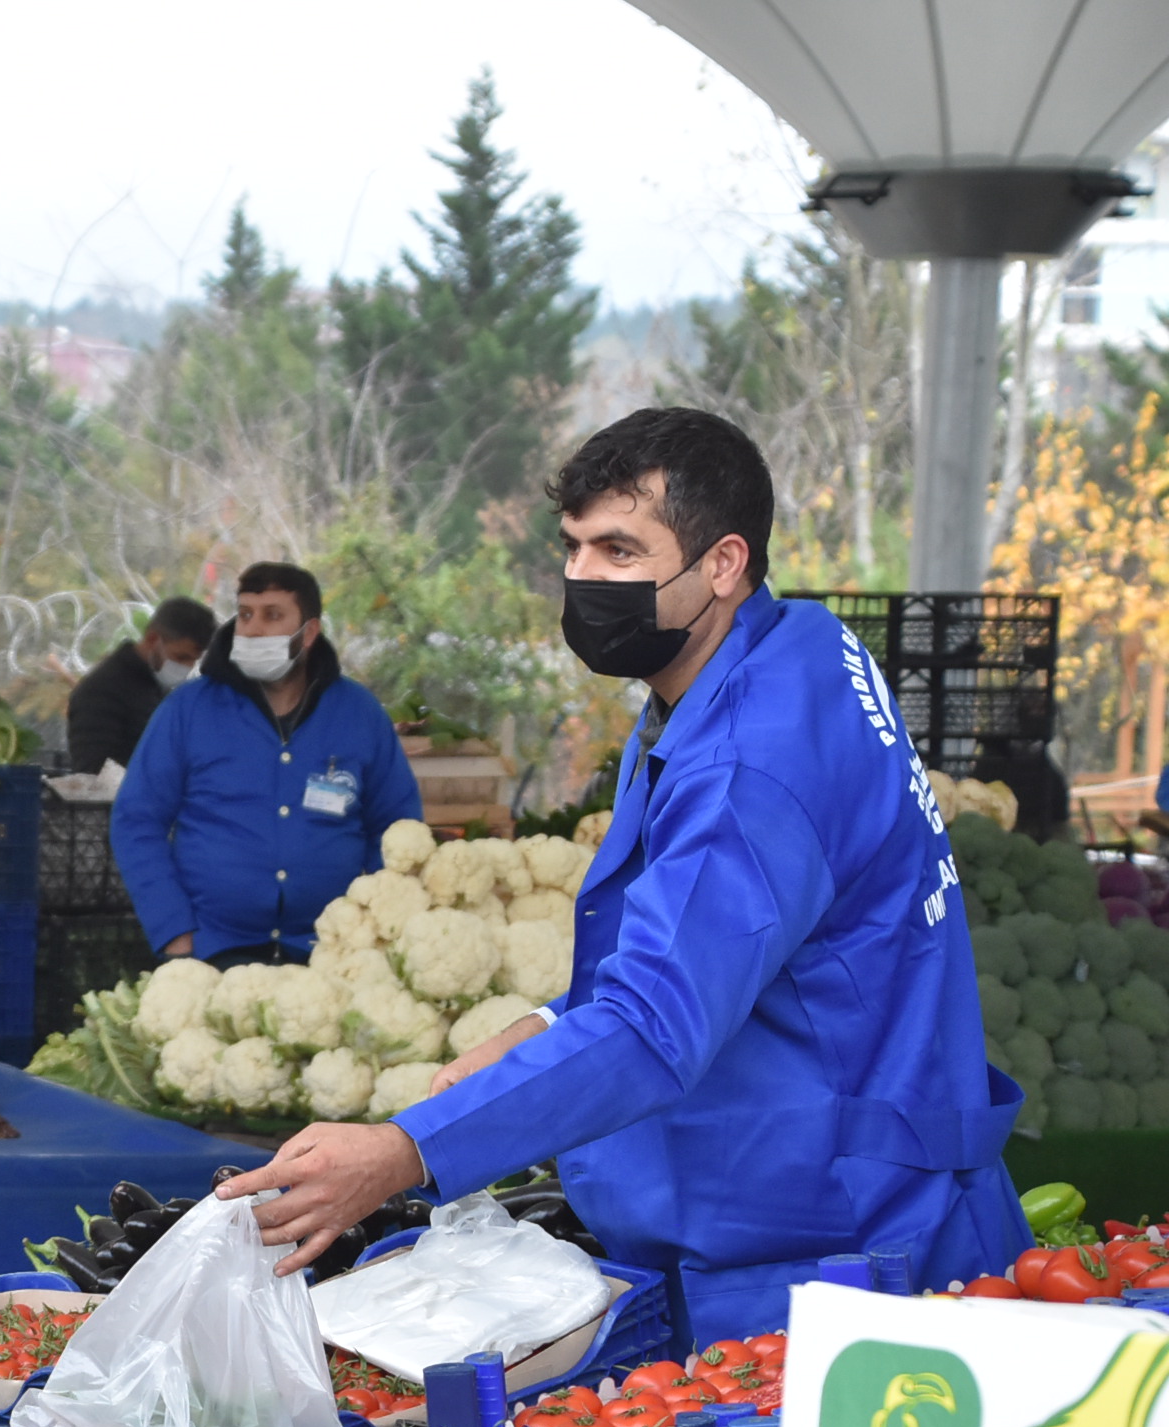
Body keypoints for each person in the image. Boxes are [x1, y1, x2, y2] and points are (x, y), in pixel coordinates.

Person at [228, 407, 1026, 1339]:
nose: (584, 579)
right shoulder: (788, 650)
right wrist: (542, 1025)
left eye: (620, 551)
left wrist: (406, 1150)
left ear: (723, 563)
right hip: (833, 1196)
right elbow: (722, 943)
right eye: (573, 548)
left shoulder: (747, 764)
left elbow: (654, 1026)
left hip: (841, 1249)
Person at [108, 562, 421, 966]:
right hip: (212, 950)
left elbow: (397, 829)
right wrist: (174, 932)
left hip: (331, 954)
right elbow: (136, 821)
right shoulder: (188, 710)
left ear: (309, 632)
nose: (253, 629)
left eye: (272, 615)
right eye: (245, 614)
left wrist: (375, 928)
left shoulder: (359, 714)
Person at [67, 595, 214, 775]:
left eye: (193, 660)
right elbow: (94, 772)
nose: (187, 667)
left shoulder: (156, 686)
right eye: (181, 657)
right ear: (152, 639)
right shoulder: (101, 691)